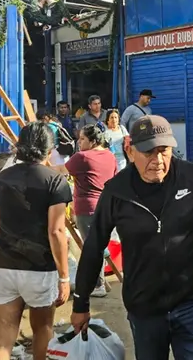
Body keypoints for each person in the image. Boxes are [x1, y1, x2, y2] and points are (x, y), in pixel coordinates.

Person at [71, 115, 193, 360]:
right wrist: (80, 304)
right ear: (130, 151)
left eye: (164, 151)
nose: (158, 160)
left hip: (192, 304)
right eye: (149, 152)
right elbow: (94, 247)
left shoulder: (191, 178)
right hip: (145, 309)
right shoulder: (116, 192)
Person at [0, 122, 72, 360]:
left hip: (3, 264)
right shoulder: (55, 181)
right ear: (49, 150)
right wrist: (64, 277)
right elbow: (56, 231)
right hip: (38, 269)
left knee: (1, 341)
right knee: (42, 331)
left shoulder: (4, 177)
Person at [56, 123, 118, 297]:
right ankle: (99, 282)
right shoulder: (110, 156)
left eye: (82, 138)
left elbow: (60, 170)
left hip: (88, 208)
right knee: (98, 244)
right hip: (106, 206)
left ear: (92, 141)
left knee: (92, 247)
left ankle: (97, 285)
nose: (79, 141)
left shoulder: (82, 157)